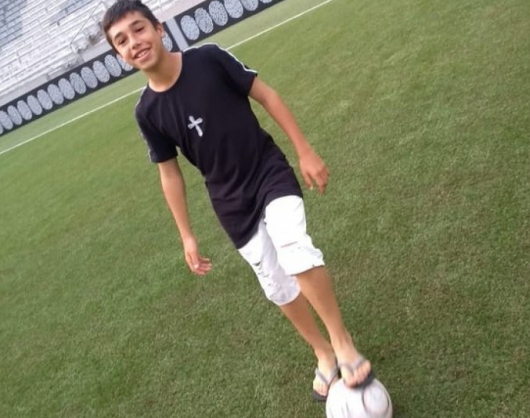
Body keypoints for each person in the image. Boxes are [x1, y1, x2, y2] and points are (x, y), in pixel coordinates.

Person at [102, 0, 373, 401]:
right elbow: (169, 173)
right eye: (121, 41)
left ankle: (342, 341)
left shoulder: (208, 58)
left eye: (139, 29)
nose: (134, 42)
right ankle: (323, 352)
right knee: (276, 284)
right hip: (229, 200)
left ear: (159, 28)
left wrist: (305, 151)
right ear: (119, 55)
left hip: (267, 170)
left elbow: (267, 95)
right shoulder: (147, 111)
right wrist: (186, 235)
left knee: (293, 246)